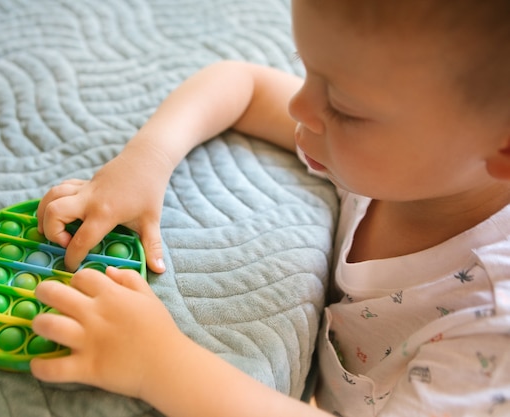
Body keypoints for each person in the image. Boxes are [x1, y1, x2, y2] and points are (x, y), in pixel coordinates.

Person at [29, 0, 510, 415]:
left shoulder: (490, 331)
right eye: (306, 68)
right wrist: (146, 160)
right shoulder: (423, 163)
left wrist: (158, 364)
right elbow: (243, 84)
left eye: (344, 107)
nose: (300, 107)